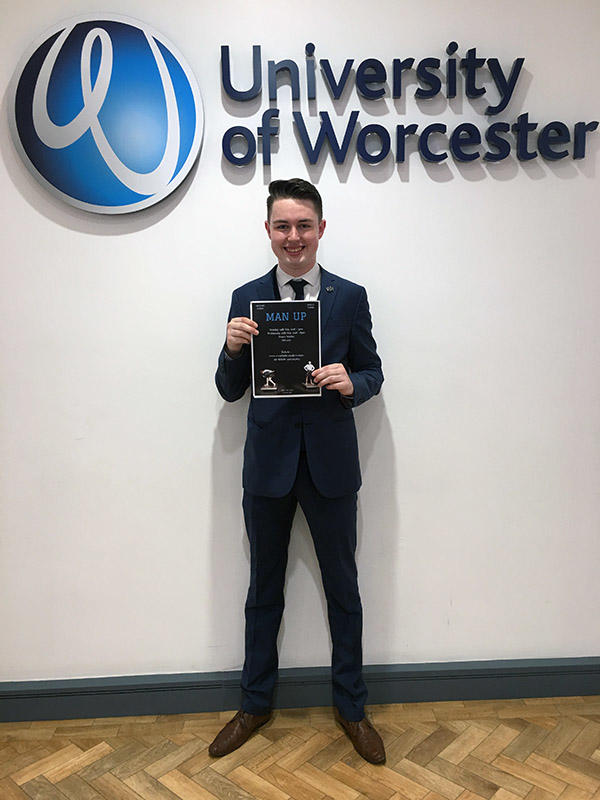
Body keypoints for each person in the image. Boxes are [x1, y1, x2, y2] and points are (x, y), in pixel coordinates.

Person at [211, 178, 385, 764]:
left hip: (331, 467)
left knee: (344, 591)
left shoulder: (349, 296)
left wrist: (351, 383)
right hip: (268, 468)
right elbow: (230, 391)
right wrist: (233, 349)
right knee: (263, 593)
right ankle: (254, 704)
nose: (293, 237)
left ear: (320, 229)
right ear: (268, 231)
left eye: (303, 225)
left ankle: (352, 709)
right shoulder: (246, 298)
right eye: (282, 226)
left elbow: (373, 371)